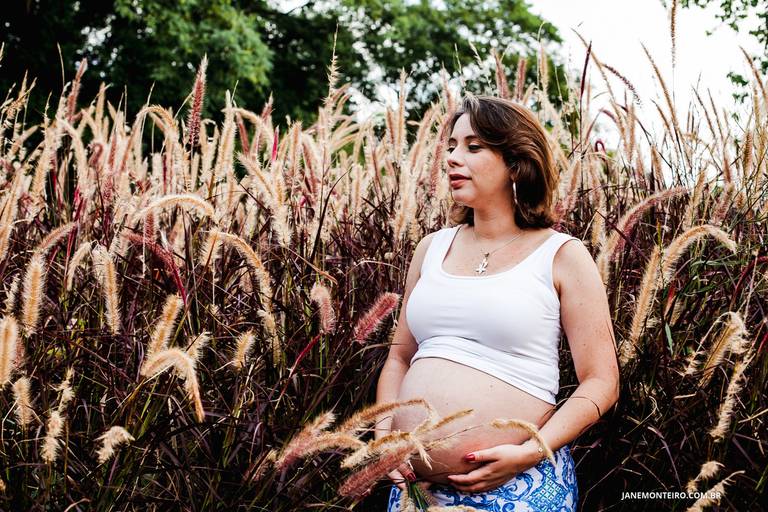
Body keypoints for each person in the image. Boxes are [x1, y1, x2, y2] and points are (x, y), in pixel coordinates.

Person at [373, 94, 620, 511]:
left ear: (515, 162)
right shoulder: (431, 249)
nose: (452, 157)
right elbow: (400, 357)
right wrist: (384, 436)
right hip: (416, 492)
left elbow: (601, 381)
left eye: (473, 147)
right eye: (451, 146)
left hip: (518, 484)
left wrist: (531, 450)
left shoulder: (561, 254)